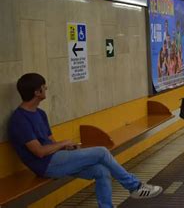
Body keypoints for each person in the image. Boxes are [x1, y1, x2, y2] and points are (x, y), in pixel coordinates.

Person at [8, 73, 162, 208]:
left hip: (56, 159)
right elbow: (39, 152)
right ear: (37, 92)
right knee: (101, 151)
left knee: (102, 171)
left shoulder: (40, 113)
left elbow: (50, 142)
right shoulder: (19, 120)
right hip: (45, 165)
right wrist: (63, 143)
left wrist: (66, 147)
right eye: (44, 87)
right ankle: (135, 187)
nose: (46, 89)